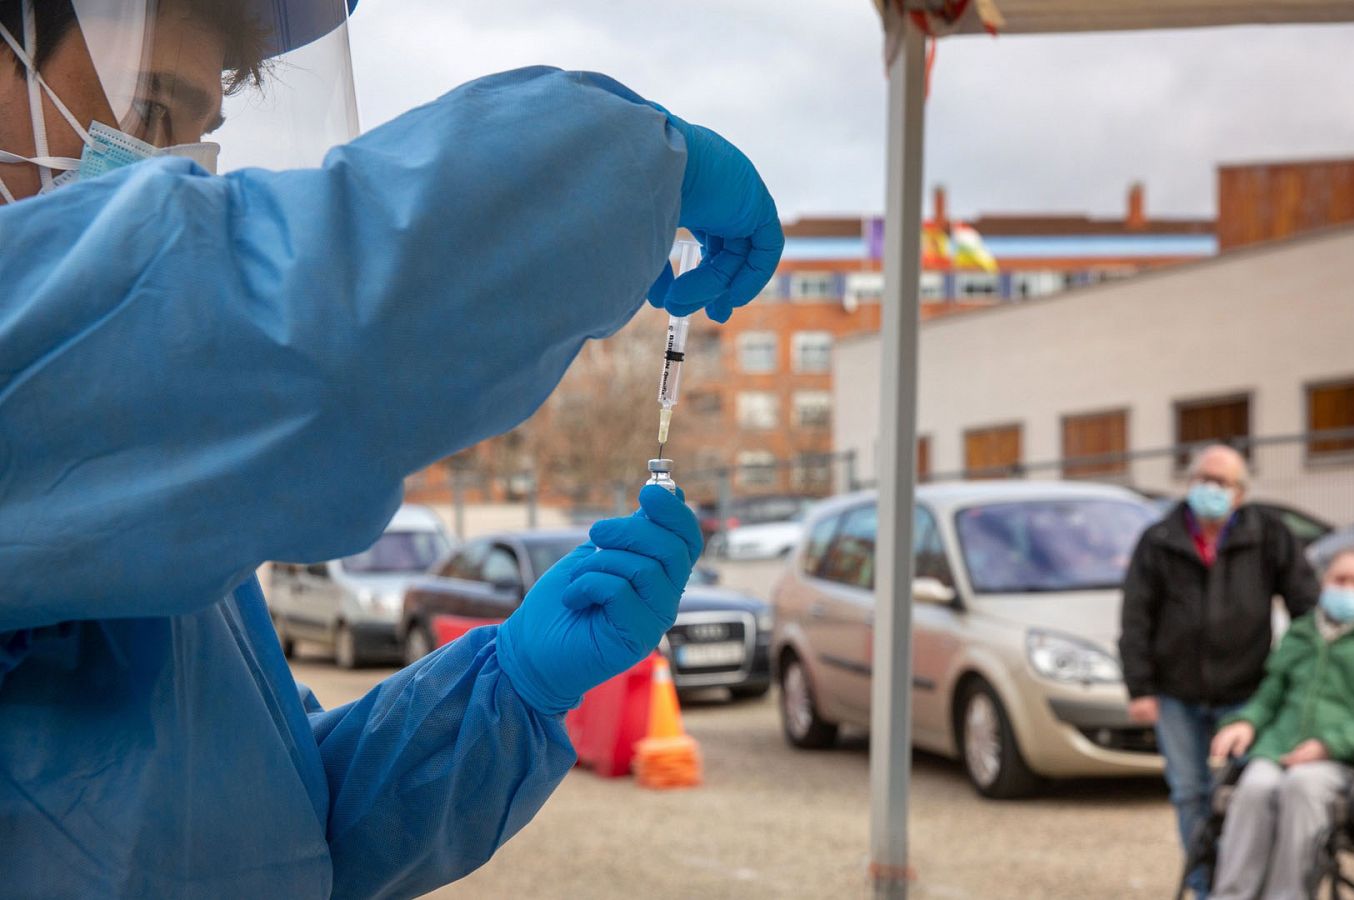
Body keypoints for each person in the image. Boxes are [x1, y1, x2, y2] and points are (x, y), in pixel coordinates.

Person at [0, 0, 782, 896]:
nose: (173, 169)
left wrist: (511, 687)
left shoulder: (125, 483)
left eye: (196, 131)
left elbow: (277, 826)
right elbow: (315, 332)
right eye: (148, 107)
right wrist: (630, 167)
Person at [1118, 444, 1320, 897]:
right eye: (1202, 479)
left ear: (1240, 493)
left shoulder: (1268, 535)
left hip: (1246, 693)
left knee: (1250, 795)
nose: (1210, 489)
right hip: (1176, 694)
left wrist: (1289, 676)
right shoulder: (1159, 539)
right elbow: (1136, 617)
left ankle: (1242, 885)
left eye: (1221, 482)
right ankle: (1206, 887)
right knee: (1189, 794)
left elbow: (1306, 609)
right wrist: (1139, 686)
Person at [1208, 549, 1354, 900]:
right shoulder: (1301, 634)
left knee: (1302, 785)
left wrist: (1327, 745)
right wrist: (1245, 722)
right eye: (1340, 580)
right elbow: (1270, 696)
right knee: (1255, 786)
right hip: (1280, 748)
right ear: (1324, 584)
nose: (1347, 589)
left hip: (1348, 762)